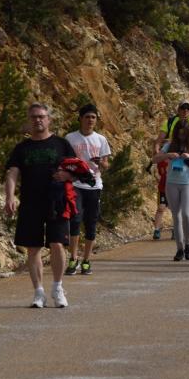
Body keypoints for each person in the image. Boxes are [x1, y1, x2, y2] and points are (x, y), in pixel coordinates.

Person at [5, 103, 76, 308]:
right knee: (33, 248)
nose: (38, 120)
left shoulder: (61, 144)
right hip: (30, 202)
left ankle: (57, 287)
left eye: (41, 116)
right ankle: (38, 293)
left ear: (49, 119)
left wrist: (67, 175)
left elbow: (79, 170)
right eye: (34, 117)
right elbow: (12, 173)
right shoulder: (22, 148)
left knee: (57, 244)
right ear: (28, 121)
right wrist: (10, 196)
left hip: (57, 200)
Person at [64, 104, 111, 276]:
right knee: (75, 220)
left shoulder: (101, 139)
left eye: (93, 117)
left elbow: (106, 165)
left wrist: (101, 163)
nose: (90, 120)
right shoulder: (70, 138)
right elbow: (64, 161)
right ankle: (73, 258)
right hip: (76, 184)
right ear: (80, 119)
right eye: (87, 117)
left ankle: (86, 260)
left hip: (94, 185)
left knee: (91, 223)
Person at [154, 122, 189, 260]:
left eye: (184, 133)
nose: (181, 136)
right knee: (176, 216)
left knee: (186, 214)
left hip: (188, 183)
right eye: (179, 133)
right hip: (171, 184)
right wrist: (168, 155)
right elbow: (155, 159)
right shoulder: (169, 146)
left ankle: (188, 244)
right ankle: (179, 248)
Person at [152, 160, 170, 240]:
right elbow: (156, 171)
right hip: (163, 189)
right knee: (161, 208)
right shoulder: (160, 161)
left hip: (176, 188)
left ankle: (176, 230)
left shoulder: (179, 158)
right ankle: (157, 230)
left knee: (175, 210)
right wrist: (158, 177)